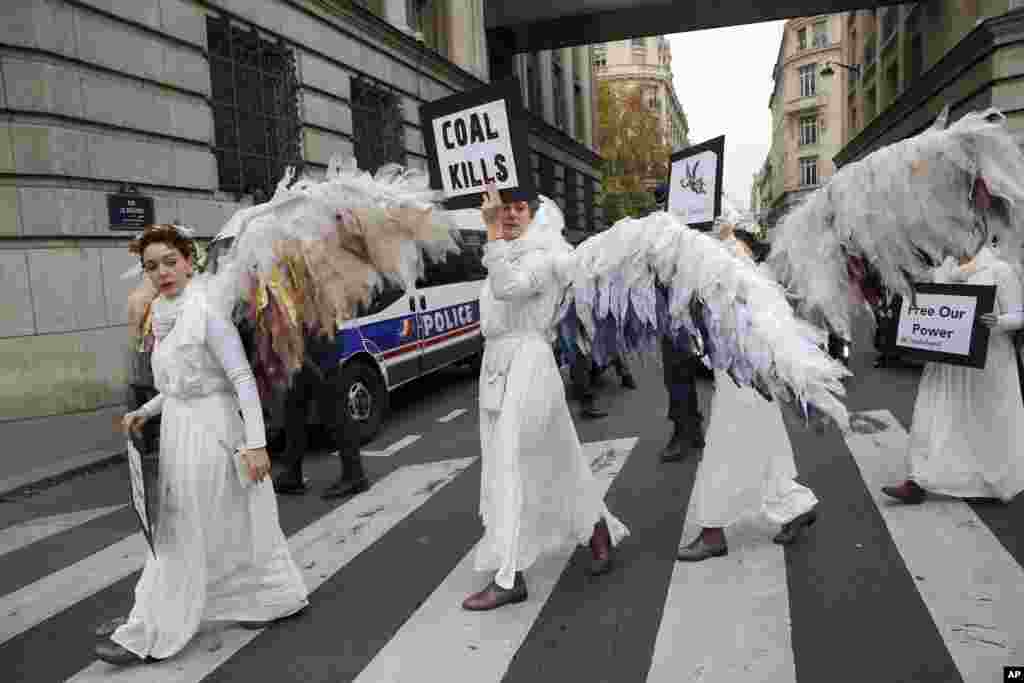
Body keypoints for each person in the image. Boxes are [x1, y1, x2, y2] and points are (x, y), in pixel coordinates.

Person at [97, 225, 309, 665]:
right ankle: (270, 596)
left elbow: (240, 379)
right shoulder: (160, 311)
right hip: (178, 428)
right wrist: (147, 412)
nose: (162, 272)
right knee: (229, 519)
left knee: (179, 529)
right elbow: (178, 385)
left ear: (190, 260)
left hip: (213, 432)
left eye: (170, 262)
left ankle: (149, 629)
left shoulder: (207, 310)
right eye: (151, 266)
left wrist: (255, 444)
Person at [463, 185, 628, 611]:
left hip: (530, 362)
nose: (512, 215)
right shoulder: (504, 251)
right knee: (559, 455)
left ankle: (509, 576)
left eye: (520, 209)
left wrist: (492, 233)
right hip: (498, 365)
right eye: (507, 209)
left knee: (509, 461)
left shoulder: (547, 255)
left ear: (534, 215)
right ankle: (597, 531)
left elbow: (510, 290)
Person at [677, 229, 820, 561]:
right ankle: (796, 507)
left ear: (749, 254)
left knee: (723, 453)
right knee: (762, 448)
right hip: (741, 380)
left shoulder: (752, 284)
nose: (726, 251)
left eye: (735, 247)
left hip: (746, 380)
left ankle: (712, 532)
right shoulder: (736, 284)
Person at [882, 246, 1024, 504]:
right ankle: (917, 481)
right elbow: (925, 308)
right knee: (930, 418)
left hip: (988, 363)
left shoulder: (999, 270)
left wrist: (1000, 321)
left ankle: (988, 484)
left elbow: (1019, 314)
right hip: (946, 363)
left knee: (982, 423)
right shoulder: (941, 272)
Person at [273, 335, 369, 499]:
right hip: (303, 345)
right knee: (293, 408)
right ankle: (292, 473)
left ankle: (355, 475)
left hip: (320, 343)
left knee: (334, 410)